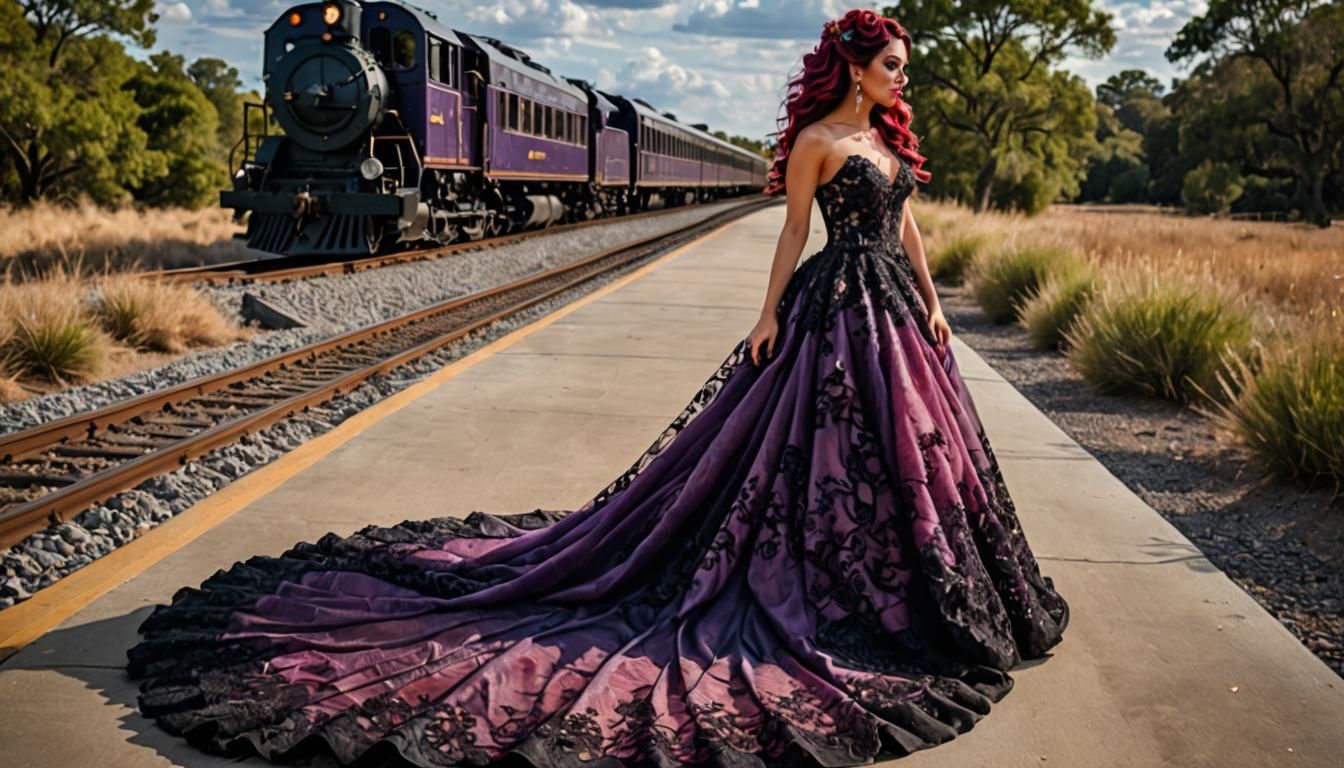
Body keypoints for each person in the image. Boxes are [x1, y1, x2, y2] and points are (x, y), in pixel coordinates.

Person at [126, 9, 1069, 767]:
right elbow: (791, 236)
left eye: (903, 66)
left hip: (898, 317)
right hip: (831, 311)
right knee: (806, 463)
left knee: (908, 458)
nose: (903, 78)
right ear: (856, 68)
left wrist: (937, 304)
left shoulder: (892, 147)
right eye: (894, 65)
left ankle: (919, 584)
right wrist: (767, 314)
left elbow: (908, 230)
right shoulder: (821, 144)